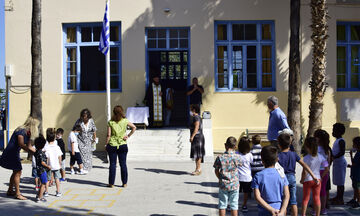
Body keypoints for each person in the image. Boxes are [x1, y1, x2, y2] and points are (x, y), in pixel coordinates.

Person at [277, 133, 319, 216]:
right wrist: (313, 175)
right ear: (289, 143)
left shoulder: (278, 156)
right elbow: (304, 165)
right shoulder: (293, 154)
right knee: (293, 201)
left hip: (282, 179)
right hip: (292, 178)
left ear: (279, 144)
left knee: (283, 201)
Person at [0, 116, 38, 200]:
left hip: (15, 153)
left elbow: (29, 146)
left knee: (16, 172)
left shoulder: (28, 133)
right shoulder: (21, 131)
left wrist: (38, 152)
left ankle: (10, 190)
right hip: (11, 153)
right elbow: (21, 144)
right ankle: (17, 194)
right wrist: (30, 151)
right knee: (18, 172)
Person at [251, 145, 290, 216]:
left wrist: (271, 209)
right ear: (277, 159)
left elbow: (257, 197)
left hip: (264, 210)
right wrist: (282, 211)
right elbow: (287, 195)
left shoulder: (258, 176)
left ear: (262, 161)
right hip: (279, 209)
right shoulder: (281, 175)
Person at [106, 105, 136, 188]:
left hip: (112, 144)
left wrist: (106, 144)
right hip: (122, 144)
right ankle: (124, 183)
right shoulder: (125, 121)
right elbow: (134, 127)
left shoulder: (110, 122)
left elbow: (108, 135)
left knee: (112, 164)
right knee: (123, 164)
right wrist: (128, 135)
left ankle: (111, 183)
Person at [213, 136, 242, 216]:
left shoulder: (220, 157)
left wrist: (220, 178)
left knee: (222, 204)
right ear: (235, 147)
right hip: (234, 184)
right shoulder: (237, 157)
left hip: (223, 184)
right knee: (234, 205)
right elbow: (241, 165)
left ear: (225, 145)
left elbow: (216, 170)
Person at [301, 137, 329, 216]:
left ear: (307, 147)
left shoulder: (305, 158)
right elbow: (327, 168)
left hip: (308, 180)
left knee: (305, 198)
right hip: (317, 179)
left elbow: (304, 171)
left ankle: (303, 214)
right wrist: (321, 177)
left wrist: (302, 179)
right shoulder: (321, 156)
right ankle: (317, 214)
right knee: (317, 198)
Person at [314, 129, 332, 214]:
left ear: (318, 139)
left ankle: (316, 210)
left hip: (317, 172)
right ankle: (323, 209)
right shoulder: (327, 149)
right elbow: (328, 162)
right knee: (323, 191)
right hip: (325, 172)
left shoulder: (317, 149)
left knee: (316, 192)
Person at [74, 108, 97, 173]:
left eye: (86, 117)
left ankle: (88, 167)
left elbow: (94, 129)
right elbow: (74, 129)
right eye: (83, 117)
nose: (84, 118)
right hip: (80, 140)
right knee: (82, 154)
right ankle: (82, 168)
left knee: (88, 154)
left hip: (89, 140)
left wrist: (95, 138)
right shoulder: (79, 121)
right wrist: (75, 138)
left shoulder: (91, 121)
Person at [330, 123, 347, 205]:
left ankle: (341, 199)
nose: (332, 132)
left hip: (340, 163)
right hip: (337, 163)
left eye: (334, 130)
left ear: (339, 132)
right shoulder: (337, 140)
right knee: (337, 181)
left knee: (341, 182)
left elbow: (342, 152)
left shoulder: (341, 141)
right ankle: (338, 196)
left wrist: (334, 157)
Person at [44, 128, 63, 197]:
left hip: (49, 166)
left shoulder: (46, 148)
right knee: (57, 179)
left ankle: (46, 192)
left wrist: (46, 164)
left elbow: (46, 158)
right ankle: (58, 192)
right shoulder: (57, 147)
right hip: (56, 166)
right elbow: (60, 156)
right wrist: (60, 163)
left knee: (48, 179)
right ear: (54, 138)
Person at [236, 137, 253, 213]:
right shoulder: (249, 155)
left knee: (236, 192)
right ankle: (244, 205)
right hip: (247, 177)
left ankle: (234, 204)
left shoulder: (236, 154)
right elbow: (251, 163)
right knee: (246, 192)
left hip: (238, 177)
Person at [34, 135, 51, 203]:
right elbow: (42, 162)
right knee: (43, 183)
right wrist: (48, 166)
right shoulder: (41, 153)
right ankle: (40, 197)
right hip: (42, 170)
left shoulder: (36, 152)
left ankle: (38, 194)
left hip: (38, 170)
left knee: (42, 183)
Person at [189, 104, 205, 175]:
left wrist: (192, 136)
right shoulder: (197, 117)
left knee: (198, 154)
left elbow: (196, 127)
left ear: (194, 110)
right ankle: (198, 169)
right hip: (199, 137)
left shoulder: (196, 117)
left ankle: (198, 169)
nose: (190, 111)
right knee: (198, 154)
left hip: (197, 138)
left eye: (191, 109)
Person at [347, 137, 360, 208]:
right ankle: (355, 199)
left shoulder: (358, 154)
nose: (352, 145)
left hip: (357, 174)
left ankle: (358, 201)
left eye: (354, 144)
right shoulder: (358, 153)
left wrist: (351, 155)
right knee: (355, 187)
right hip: (355, 173)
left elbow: (354, 163)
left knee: (357, 187)